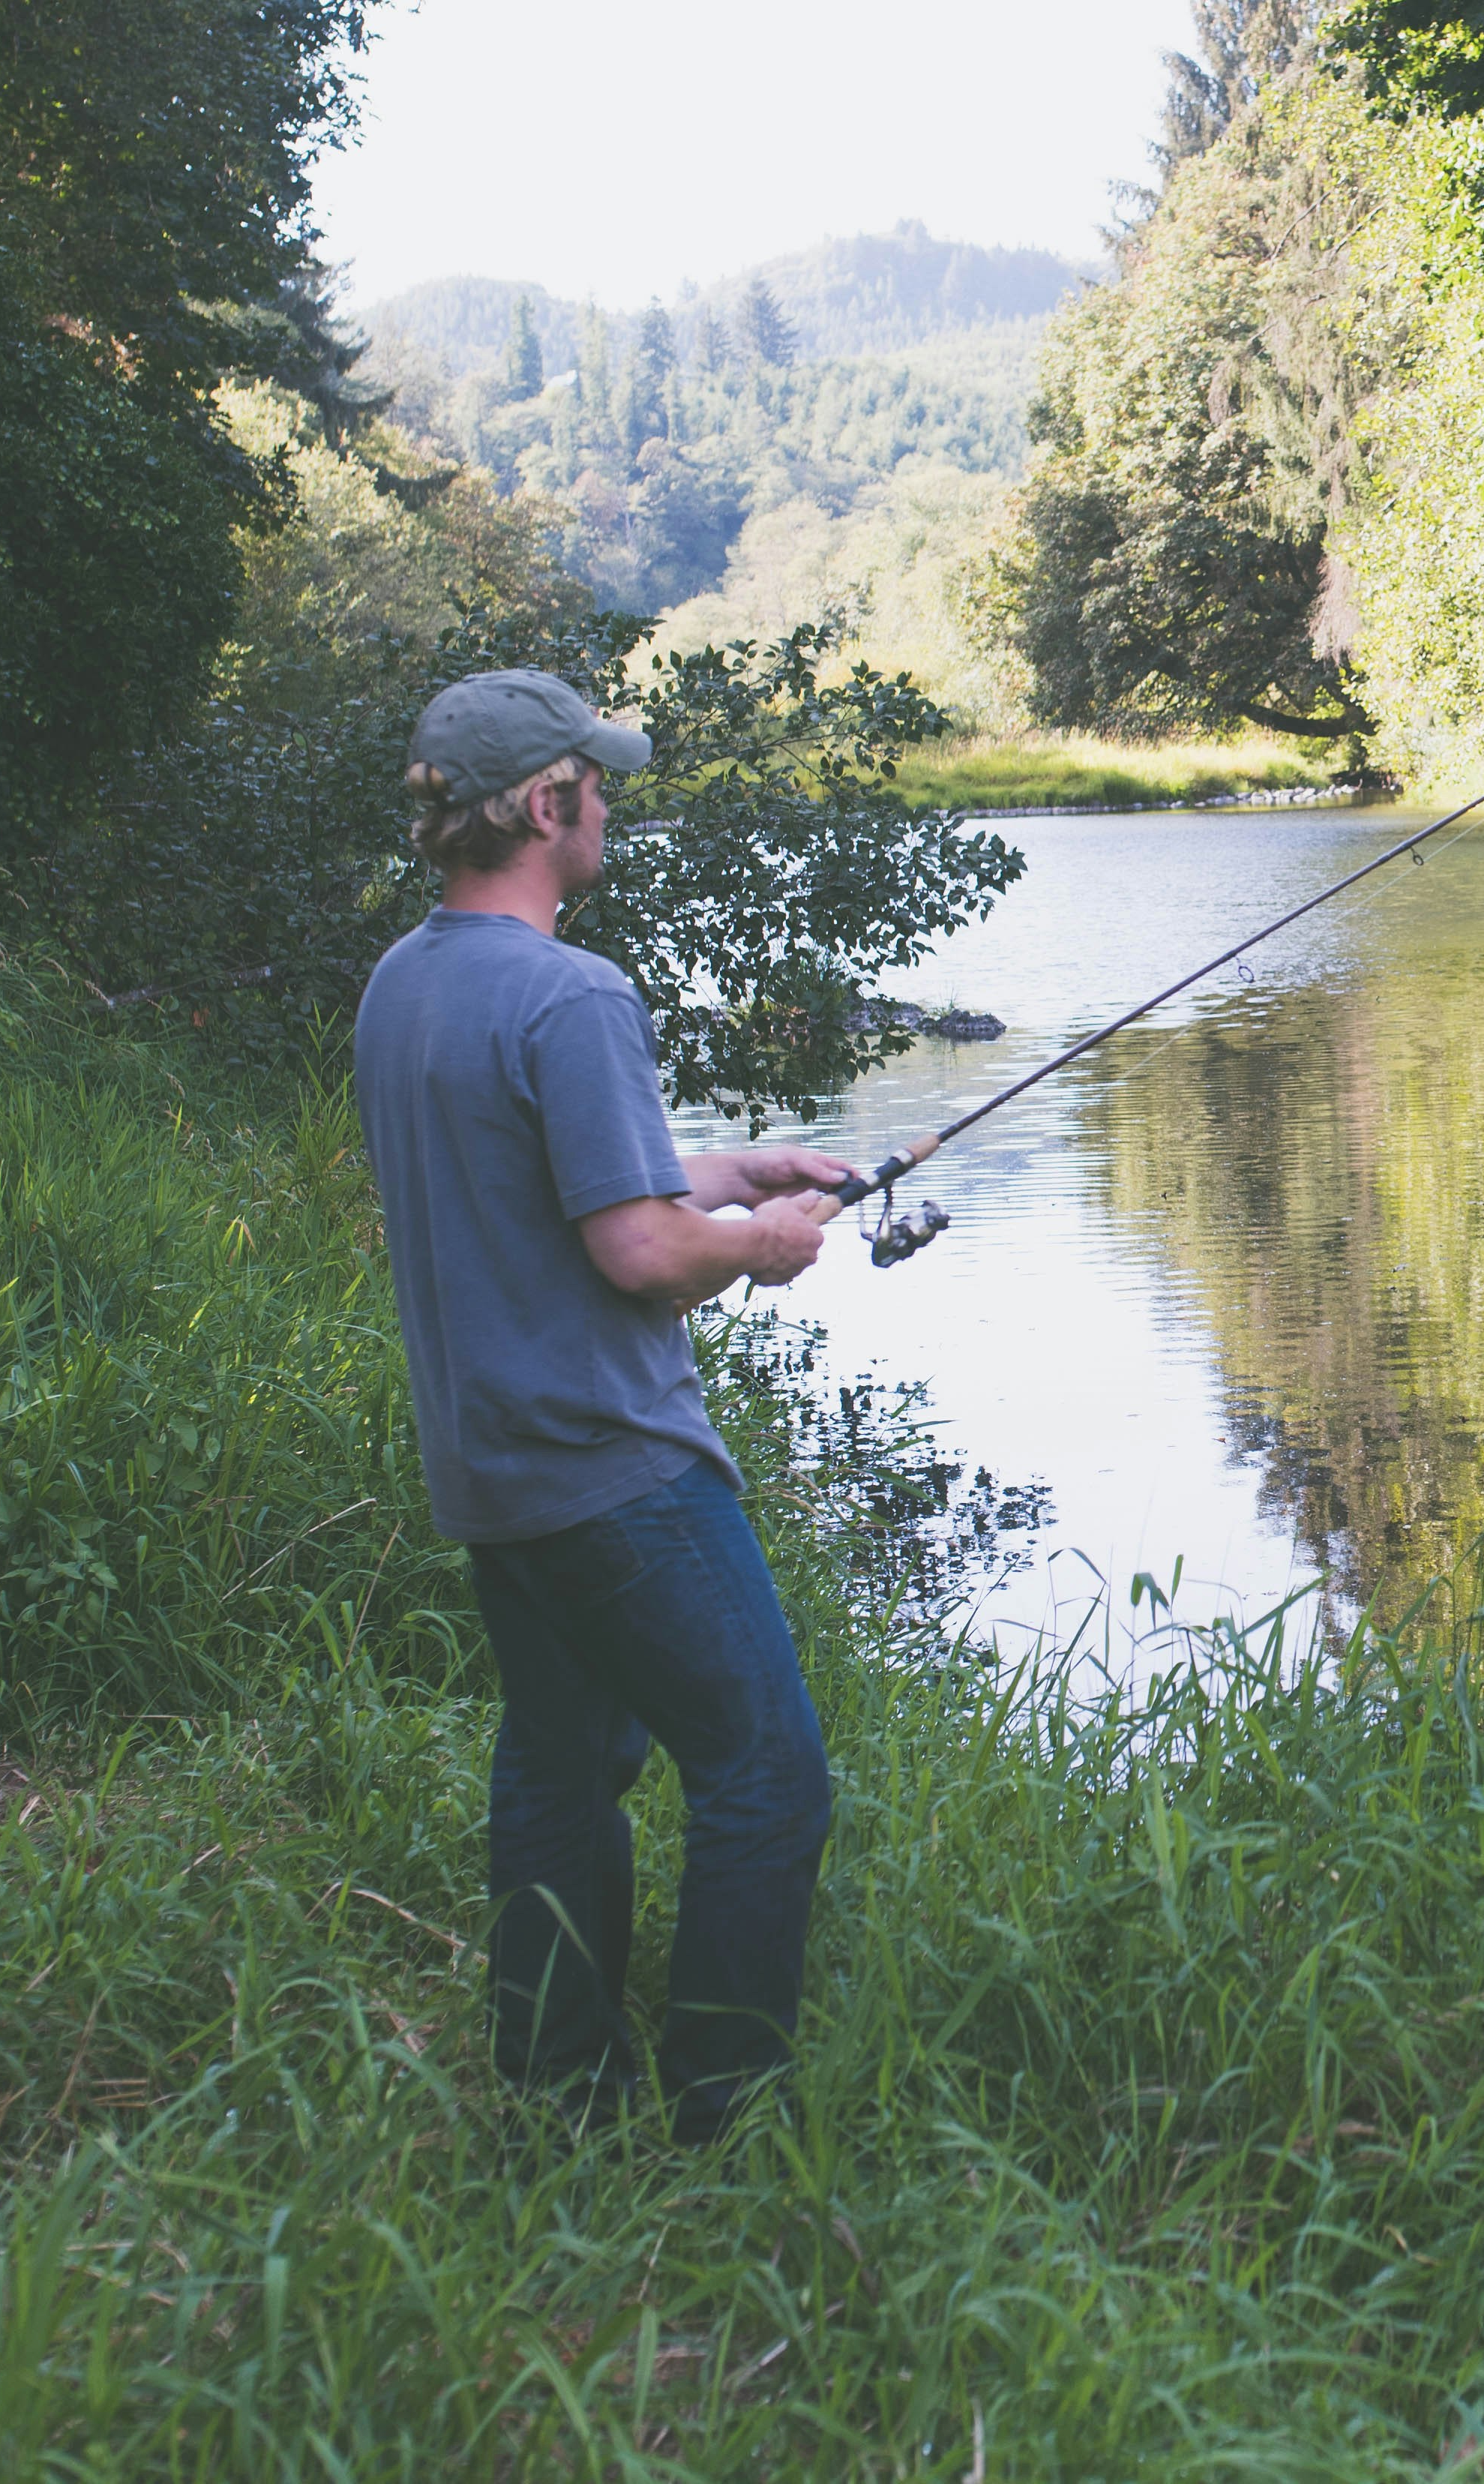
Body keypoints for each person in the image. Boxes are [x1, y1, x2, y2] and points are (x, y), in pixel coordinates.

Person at [354, 668, 850, 2144]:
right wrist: (759, 1249)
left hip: (491, 1470)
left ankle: (561, 2096)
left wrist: (736, 1174)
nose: (613, 803)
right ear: (547, 805)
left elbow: (564, 1179)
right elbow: (637, 1249)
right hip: (614, 1474)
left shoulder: (407, 983)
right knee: (767, 1773)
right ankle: (726, 2120)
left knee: (564, 1771)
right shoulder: (576, 994)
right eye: (598, 782)